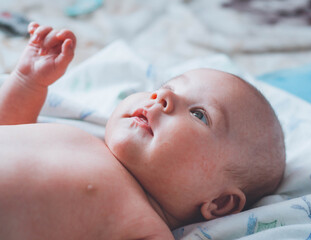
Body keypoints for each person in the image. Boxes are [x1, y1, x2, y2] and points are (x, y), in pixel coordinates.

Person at [0, 23, 285, 240]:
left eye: (199, 114)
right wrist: (27, 82)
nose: (161, 98)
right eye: (166, 87)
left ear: (220, 203)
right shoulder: (89, 140)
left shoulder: (143, 225)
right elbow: (9, 129)